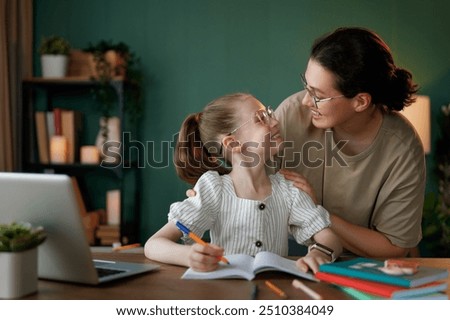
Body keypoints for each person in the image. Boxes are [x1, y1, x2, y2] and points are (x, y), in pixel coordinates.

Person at [145, 93, 342, 273]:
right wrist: (188, 256)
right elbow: (153, 244)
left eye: (269, 113)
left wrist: (319, 253)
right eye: (261, 118)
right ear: (233, 143)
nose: (274, 121)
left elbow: (329, 238)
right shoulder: (214, 189)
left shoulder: (288, 189)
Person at [274, 27, 424, 258]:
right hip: (288, 257)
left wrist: (317, 211)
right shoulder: (291, 115)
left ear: (361, 101)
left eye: (318, 96)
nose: (305, 101)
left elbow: (393, 247)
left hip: (359, 268)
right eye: (306, 86)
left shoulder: (401, 148)